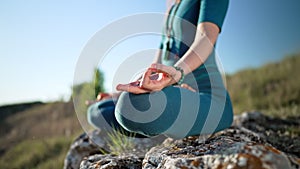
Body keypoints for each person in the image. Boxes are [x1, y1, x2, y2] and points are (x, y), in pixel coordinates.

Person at [87, 0, 233, 139]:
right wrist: (133, 88)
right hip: (174, 91)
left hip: (207, 97)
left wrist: (177, 72)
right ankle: (162, 125)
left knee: (133, 106)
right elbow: (156, 63)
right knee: (96, 111)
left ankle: (162, 122)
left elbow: (206, 37)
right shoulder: (173, 7)